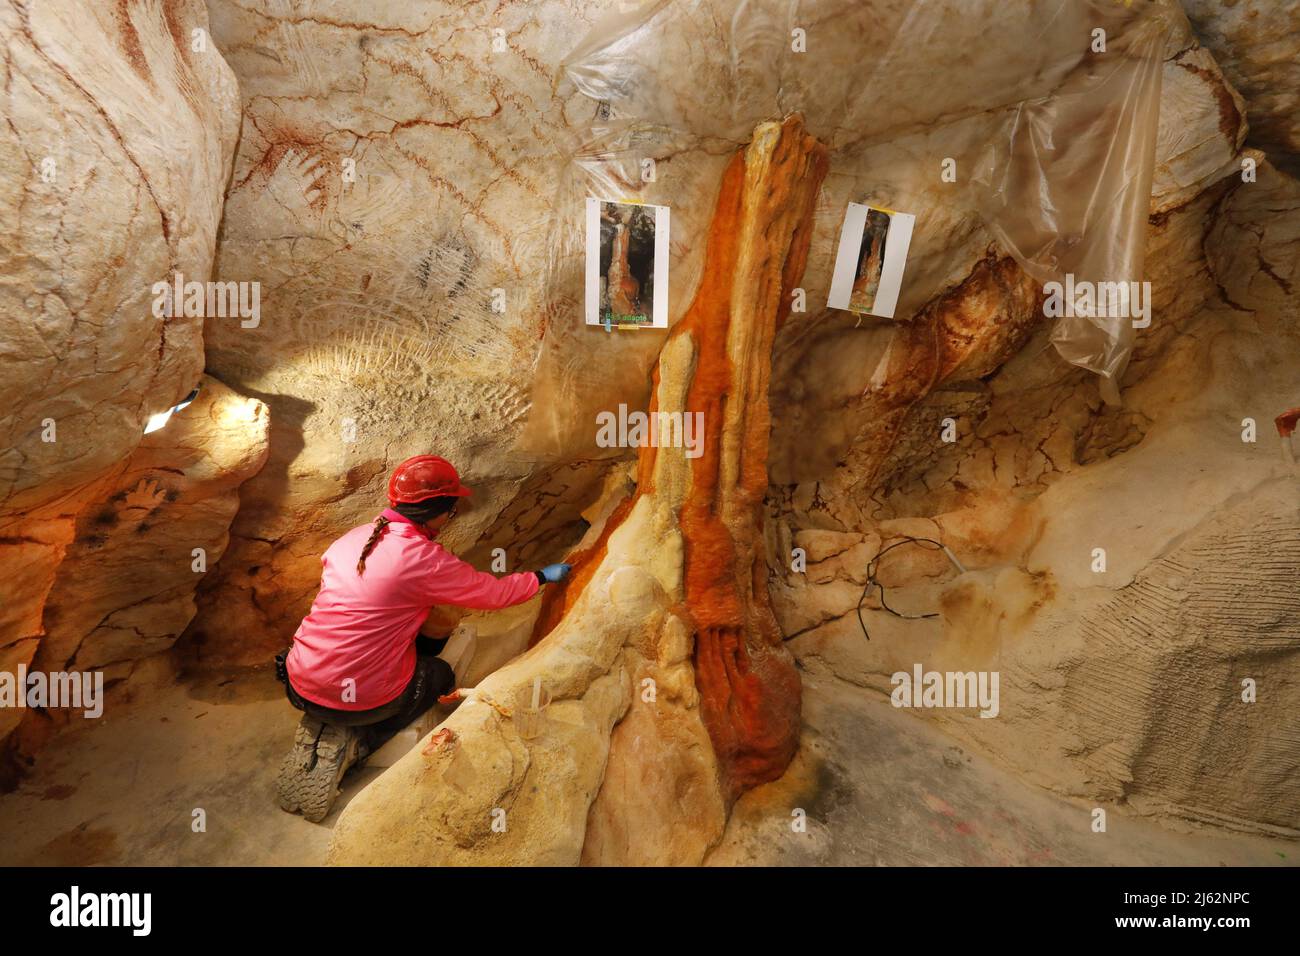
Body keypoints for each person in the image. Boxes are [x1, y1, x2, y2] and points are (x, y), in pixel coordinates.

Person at [275, 454, 570, 821]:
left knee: (391, 629)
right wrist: (541, 577)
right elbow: (491, 593)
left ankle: (327, 719)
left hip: (298, 679)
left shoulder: (350, 541)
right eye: (451, 510)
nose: (451, 518)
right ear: (437, 511)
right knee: (440, 676)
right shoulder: (422, 559)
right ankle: (358, 740)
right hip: (365, 700)